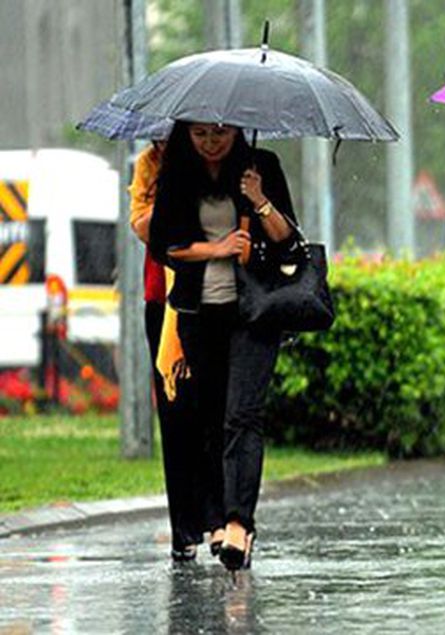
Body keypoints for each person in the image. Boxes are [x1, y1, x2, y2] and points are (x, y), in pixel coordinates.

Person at [149, 122, 298, 572]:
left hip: (254, 313)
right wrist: (214, 249)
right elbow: (163, 246)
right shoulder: (177, 174)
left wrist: (258, 199)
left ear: (237, 130)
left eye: (219, 133)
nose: (210, 142)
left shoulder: (261, 166)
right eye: (199, 134)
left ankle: (239, 524)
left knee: (243, 415)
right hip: (200, 314)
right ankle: (214, 517)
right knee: (209, 416)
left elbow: (288, 239)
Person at [130, 140, 213, 562]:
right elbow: (143, 227)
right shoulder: (150, 164)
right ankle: (184, 528)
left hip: (215, 297)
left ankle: (219, 519)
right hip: (162, 300)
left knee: (212, 410)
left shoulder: (217, 159)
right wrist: (173, 200)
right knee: (174, 408)